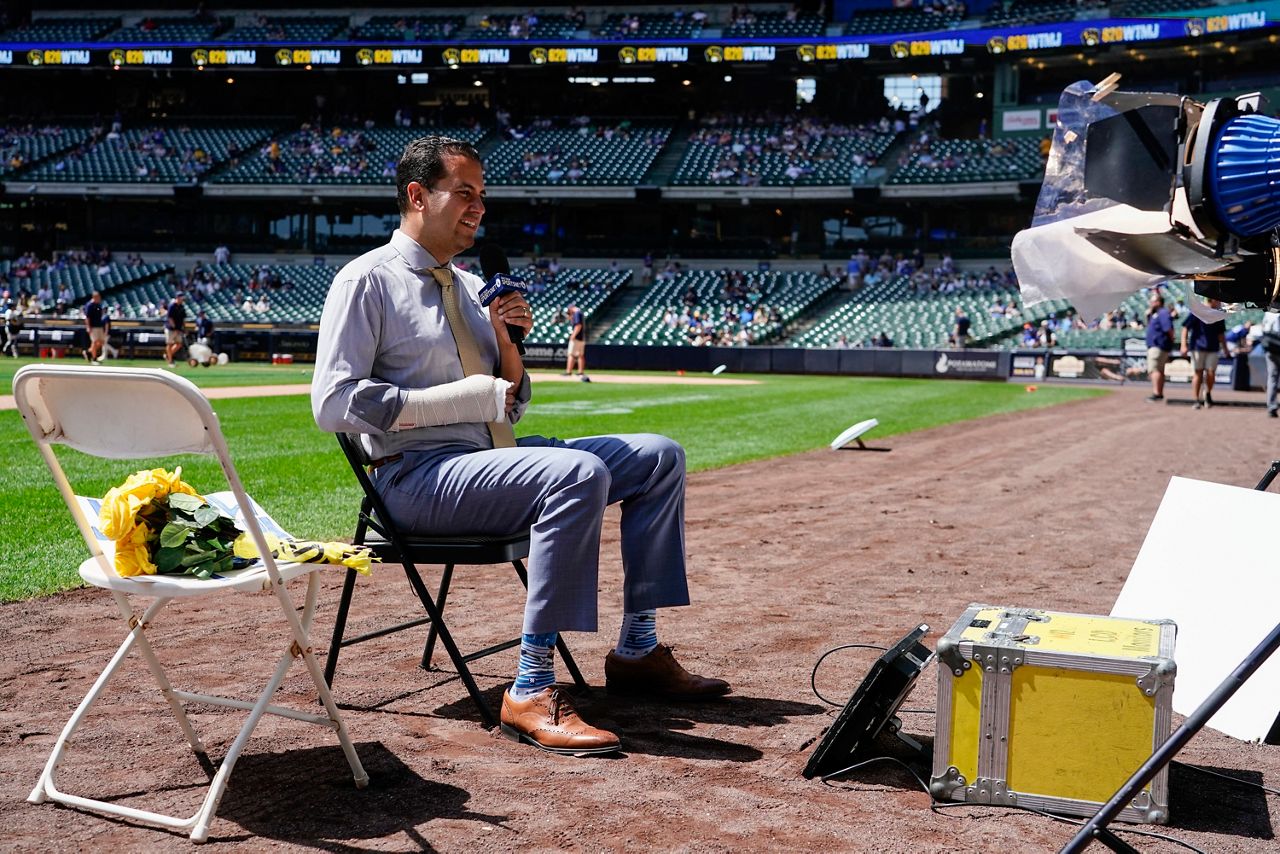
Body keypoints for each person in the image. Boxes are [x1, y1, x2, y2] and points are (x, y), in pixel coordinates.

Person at [311, 136, 729, 756]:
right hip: (415, 476)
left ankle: (637, 649)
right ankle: (530, 687)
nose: (479, 207)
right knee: (578, 473)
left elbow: (511, 400)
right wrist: (461, 400)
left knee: (660, 455)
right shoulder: (366, 280)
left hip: (488, 458)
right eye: (466, 193)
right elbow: (333, 403)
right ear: (418, 196)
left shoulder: (477, 285)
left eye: (483, 195)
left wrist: (510, 343)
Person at [1180, 301, 1228, 409]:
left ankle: (1207, 393)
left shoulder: (1218, 314)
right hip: (1197, 347)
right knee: (1198, 373)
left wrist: (1225, 349)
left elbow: (1221, 334)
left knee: (1211, 373)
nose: (1220, 302)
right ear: (1212, 300)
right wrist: (1183, 345)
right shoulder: (1198, 311)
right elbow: (1185, 328)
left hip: (1213, 347)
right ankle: (1196, 399)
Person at [1145, 293, 1174, 402]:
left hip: (1158, 346)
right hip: (1158, 345)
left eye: (1152, 301)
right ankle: (1159, 393)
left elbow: (1169, 329)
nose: (1150, 303)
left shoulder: (1162, 312)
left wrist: (1171, 341)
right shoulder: (1155, 313)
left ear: (1158, 302)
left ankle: (1156, 393)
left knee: (1155, 370)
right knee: (1159, 370)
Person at [1263, 310, 1280, 418]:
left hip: (1269, 349)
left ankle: (1271, 406)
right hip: (1277, 346)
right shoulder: (1278, 314)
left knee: (1272, 378)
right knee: (1272, 378)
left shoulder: (1268, 312)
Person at [564, 303, 587, 381]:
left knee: (571, 354)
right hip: (582, 337)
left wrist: (573, 336)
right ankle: (580, 372)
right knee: (580, 355)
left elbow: (578, 326)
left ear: (571, 308)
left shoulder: (576, 313)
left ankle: (568, 371)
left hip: (576, 337)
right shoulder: (580, 313)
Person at [83, 291, 107, 364]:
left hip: (99, 326)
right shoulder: (90, 305)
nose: (100, 298)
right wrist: (88, 327)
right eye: (98, 297)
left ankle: (88, 352)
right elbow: (87, 317)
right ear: (94, 297)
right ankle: (94, 359)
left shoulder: (98, 305)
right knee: (94, 342)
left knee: (101, 342)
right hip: (93, 327)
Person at [164, 293, 187, 367]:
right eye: (181, 297)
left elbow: (183, 319)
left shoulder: (182, 306)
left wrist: (184, 328)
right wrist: (175, 328)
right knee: (169, 344)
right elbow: (170, 318)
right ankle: (170, 362)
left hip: (178, 329)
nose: (182, 299)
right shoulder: (172, 306)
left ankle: (168, 355)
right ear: (177, 297)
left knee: (179, 344)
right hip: (170, 328)